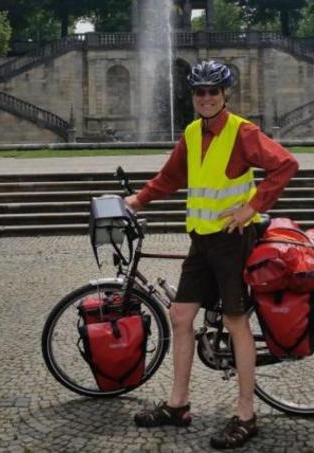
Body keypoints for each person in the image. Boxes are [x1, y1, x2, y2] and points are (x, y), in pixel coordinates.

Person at [126, 60, 299, 449]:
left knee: (237, 323)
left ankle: (245, 415)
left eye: (213, 92)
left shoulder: (242, 132)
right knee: (181, 314)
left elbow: (285, 165)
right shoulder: (191, 132)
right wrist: (138, 199)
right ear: (193, 97)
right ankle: (178, 405)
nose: (206, 98)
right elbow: (171, 177)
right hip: (202, 240)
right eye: (200, 92)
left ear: (224, 95)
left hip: (232, 241)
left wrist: (250, 209)